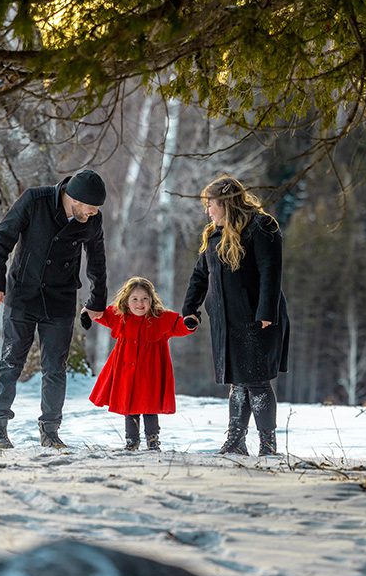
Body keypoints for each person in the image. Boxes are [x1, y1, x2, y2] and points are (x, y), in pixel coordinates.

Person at [0, 169, 107, 449]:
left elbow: (97, 261)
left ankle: (50, 431)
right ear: (74, 198)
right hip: (23, 294)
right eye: (90, 208)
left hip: (60, 300)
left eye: (96, 210)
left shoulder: (91, 220)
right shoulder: (34, 200)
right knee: (12, 361)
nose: (92, 214)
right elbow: (2, 239)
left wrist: (97, 302)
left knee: (55, 368)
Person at [181, 175, 290, 456]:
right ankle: (235, 442)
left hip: (257, 318)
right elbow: (199, 274)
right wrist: (189, 310)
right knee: (238, 381)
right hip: (226, 321)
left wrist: (266, 312)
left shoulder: (261, 227)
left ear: (226, 203)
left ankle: (268, 445)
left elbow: (271, 272)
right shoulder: (214, 234)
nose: (208, 211)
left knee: (256, 380)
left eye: (211, 204)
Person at [86, 277, 197, 451]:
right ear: (126, 300)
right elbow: (99, 314)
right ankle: (132, 440)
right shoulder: (119, 316)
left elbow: (179, 326)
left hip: (150, 373)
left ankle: (153, 440)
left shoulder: (161, 318)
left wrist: (189, 324)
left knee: (149, 405)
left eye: (145, 298)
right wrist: (87, 312)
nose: (140, 303)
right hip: (126, 371)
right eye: (135, 299)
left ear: (152, 300)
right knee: (129, 407)